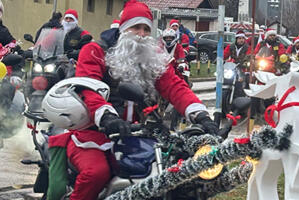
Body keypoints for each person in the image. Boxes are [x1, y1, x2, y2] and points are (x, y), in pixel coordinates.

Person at [46, 1, 224, 199]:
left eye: (146, 29)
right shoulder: (96, 51)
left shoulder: (152, 58)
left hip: (138, 135)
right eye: (135, 27)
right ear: (123, 28)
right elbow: (89, 89)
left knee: (170, 170)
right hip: (95, 133)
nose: (141, 34)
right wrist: (107, 118)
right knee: (96, 173)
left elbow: (175, 86)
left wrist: (200, 115)